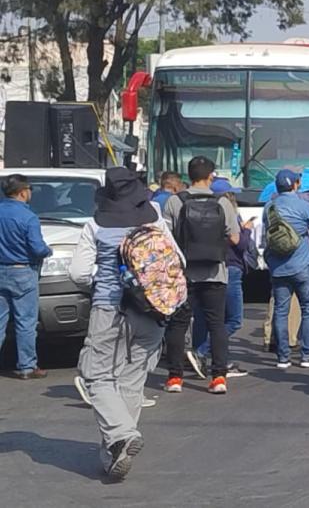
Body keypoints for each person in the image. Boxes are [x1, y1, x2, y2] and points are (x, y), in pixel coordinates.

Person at [70, 167, 180, 480]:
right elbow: (178, 262)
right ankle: (113, 454)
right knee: (132, 381)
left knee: (98, 377)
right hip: (152, 311)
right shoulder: (155, 219)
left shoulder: (95, 224)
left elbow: (77, 273)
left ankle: (122, 433)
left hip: (109, 310)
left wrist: (100, 281)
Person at [162, 156, 241, 395]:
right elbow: (235, 238)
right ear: (210, 177)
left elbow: (165, 239)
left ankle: (175, 377)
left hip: (183, 273)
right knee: (216, 324)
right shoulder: (223, 203)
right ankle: (218, 377)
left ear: (188, 176)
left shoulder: (175, 201)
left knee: (178, 324)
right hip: (215, 273)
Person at [263, 169, 309, 370]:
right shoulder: (304, 206)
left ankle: (283, 357)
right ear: (296, 184)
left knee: (281, 310)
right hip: (301, 263)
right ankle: (307, 355)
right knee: (308, 308)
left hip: (278, 266)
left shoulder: (269, 207)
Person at [190, 178, 254, 377]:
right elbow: (239, 243)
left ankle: (201, 357)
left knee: (201, 317)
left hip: (201, 267)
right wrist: (246, 230)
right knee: (233, 319)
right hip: (230, 269)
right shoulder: (228, 212)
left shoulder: (198, 213)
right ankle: (202, 352)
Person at [0, 174, 52, 379]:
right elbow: (37, 248)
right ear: (23, 192)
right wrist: (48, 251)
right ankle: (27, 366)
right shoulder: (28, 217)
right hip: (22, 271)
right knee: (26, 322)